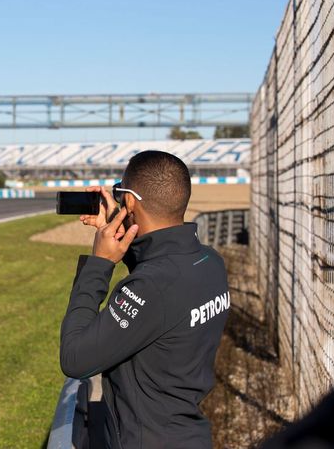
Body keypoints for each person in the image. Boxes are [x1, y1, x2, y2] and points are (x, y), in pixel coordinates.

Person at [60, 151, 230, 448]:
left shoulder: (153, 286)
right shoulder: (210, 262)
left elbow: (75, 358)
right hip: (189, 434)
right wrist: (125, 235)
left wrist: (100, 264)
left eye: (119, 192)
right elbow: (161, 290)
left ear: (129, 201)